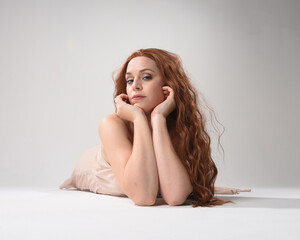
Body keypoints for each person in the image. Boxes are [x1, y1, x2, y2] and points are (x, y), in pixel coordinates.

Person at [60, 48, 251, 207]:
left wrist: (158, 118)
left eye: (147, 77)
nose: (135, 86)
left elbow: (175, 196)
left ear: (168, 85)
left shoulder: (179, 128)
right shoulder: (111, 124)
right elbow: (143, 197)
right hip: (90, 168)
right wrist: (138, 118)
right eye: (129, 80)